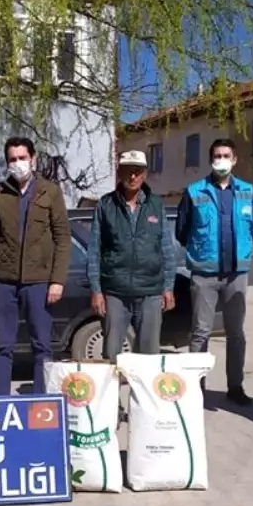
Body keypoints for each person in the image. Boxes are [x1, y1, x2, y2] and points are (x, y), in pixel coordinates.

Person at [0, 136, 71, 395]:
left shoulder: (49, 192)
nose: (18, 163)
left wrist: (57, 280)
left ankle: (41, 401)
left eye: (22, 158)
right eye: (12, 159)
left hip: (39, 281)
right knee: (2, 346)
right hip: (4, 281)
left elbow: (63, 238)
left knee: (42, 345)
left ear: (33, 159)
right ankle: (1, 400)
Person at [175, 137, 253, 405]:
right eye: (217, 156)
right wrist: (202, 252)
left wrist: (245, 253)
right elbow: (181, 231)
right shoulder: (194, 191)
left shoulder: (247, 191)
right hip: (204, 275)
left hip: (236, 275)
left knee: (236, 332)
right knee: (200, 332)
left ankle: (235, 387)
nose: (221, 160)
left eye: (226, 155)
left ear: (235, 159)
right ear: (211, 160)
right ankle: (195, 389)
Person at [86, 150, 177, 360]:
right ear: (119, 172)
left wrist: (168, 287)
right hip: (115, 293)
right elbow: (94, 251)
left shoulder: (156, 204)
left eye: (137, 172)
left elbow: (166, 249)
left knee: (148, 359)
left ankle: (142, 394)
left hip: (150, 292)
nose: (132, 177)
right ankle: (113, 394)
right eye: (128, 171)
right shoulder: (105, 205)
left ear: (145, 174)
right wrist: (96, 290)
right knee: (112, 356)